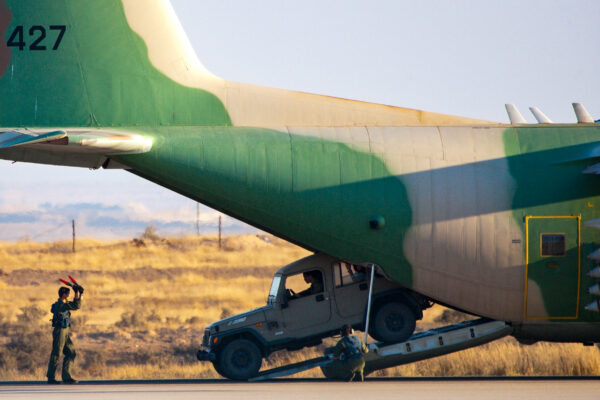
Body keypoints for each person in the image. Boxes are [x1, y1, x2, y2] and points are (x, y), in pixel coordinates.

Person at [46, 286, 83, 384]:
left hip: (65, 331)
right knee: (56, 353)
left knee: (71, 353)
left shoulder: (62, 304)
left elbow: (75, 304)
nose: (69, 295)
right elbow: (76, 306)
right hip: (60, 331)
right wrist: (78, 294)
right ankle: (51, 378)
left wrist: (79, 294)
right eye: (68, 294)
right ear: (64, 295)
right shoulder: (61, 305)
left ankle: (66, 377)